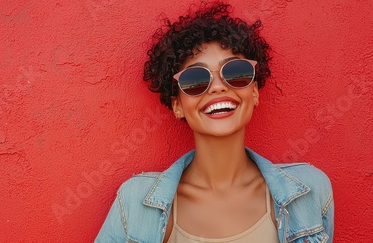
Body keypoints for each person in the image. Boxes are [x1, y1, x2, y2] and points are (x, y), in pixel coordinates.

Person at [95, 2, 334, 242]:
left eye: (235, 72)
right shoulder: (135, 204)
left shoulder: (310, 193)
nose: (218, 87)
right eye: (195, 79)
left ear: (254, 92)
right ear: (178, 105)